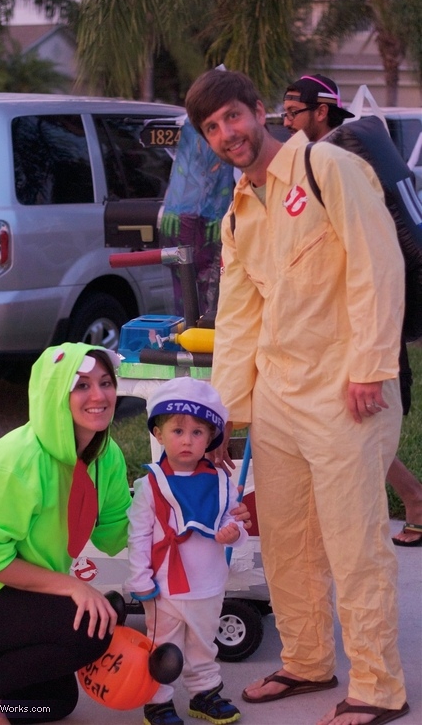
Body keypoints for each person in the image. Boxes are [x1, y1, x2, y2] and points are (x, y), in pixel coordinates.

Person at [185, 69, 409, 725]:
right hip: (279, 399)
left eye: (233, 117)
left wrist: (370, 366)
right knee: (285, 540)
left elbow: (378, 264)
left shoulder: (327, 168)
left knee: (352, 539)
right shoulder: (238, 214)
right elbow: (238, 318)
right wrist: (225, 413)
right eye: (213, 128)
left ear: (260, 112)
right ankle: (308, 661)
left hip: (348, 393)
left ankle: (377, 685)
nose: (228, 134)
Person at [0, 342, 132, 725]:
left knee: (51, 699)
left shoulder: (106, 456)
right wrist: (72, 587)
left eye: (105, 382)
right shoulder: (16, 460)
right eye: (81, 385)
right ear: (53, 394)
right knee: (90, 630)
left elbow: (116, 535)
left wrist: (180, 502)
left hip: (11, 581)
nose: (98, 395)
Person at [282, 73, 422, 548]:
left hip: (368, 314)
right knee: (350, 421)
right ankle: (414, 496)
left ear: (321, 110)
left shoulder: (336, 156)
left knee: (351, 422)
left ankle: (412, 498)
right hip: (381, 309)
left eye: (292, 113)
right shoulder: (361, 140)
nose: (286, 123)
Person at [125, 377, 246, 725]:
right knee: (163, 646)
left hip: (208, 584)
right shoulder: (150, 484)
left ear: (210, 439)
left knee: (204, 644)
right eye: (178, 431)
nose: (188, 440)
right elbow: (139, 535)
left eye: (197, 432)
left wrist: (232, 533)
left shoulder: (221, 483)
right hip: (165, 589)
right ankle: (158, 700)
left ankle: (204, 693)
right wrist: (140, 578)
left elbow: (237, 528)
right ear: (159, 435)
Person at [160, 116, 235, 316]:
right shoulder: (204, 125)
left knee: (193, 287)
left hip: (190, 215)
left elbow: (188, 167)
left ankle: (193, 331)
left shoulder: (198, 124)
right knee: (198, 287)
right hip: (196, 216)